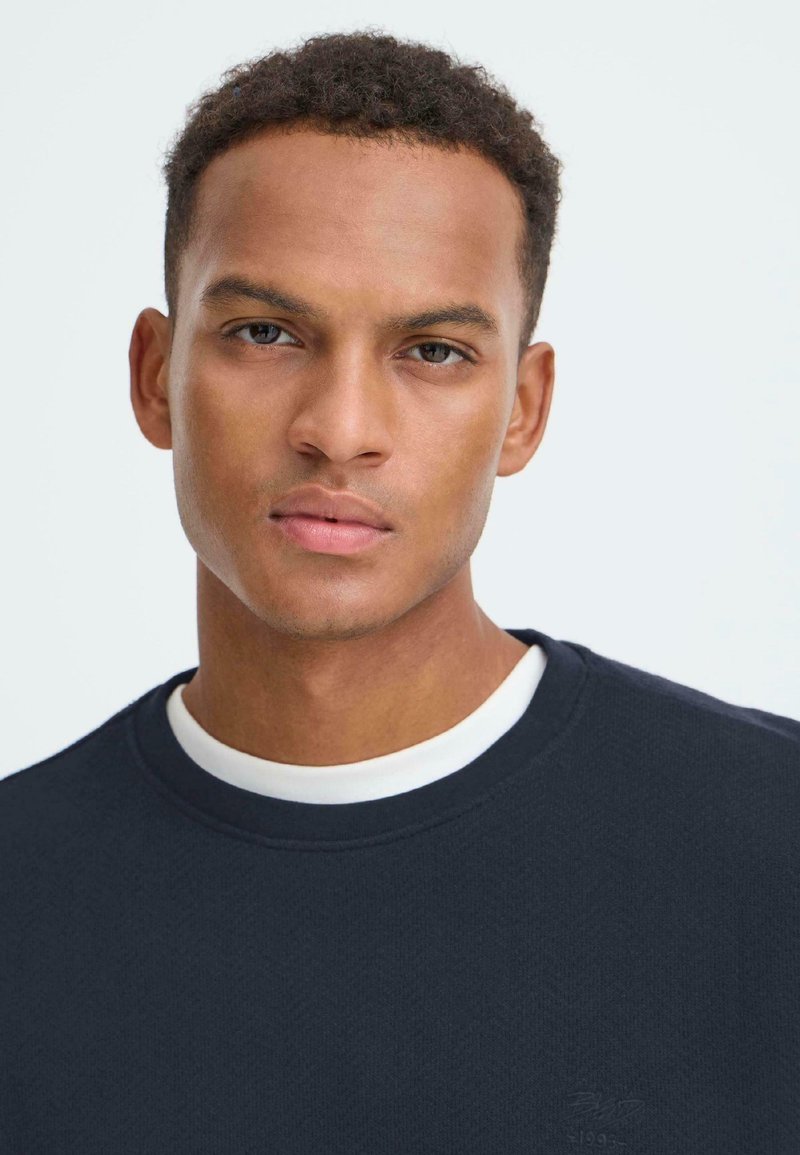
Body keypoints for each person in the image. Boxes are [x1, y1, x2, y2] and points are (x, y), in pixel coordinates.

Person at [2, 29, 798, 1154]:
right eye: (265, 333)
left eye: (431, 351)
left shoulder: (772, 843)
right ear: (154, 377)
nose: (339, 429)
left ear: (522, 410)